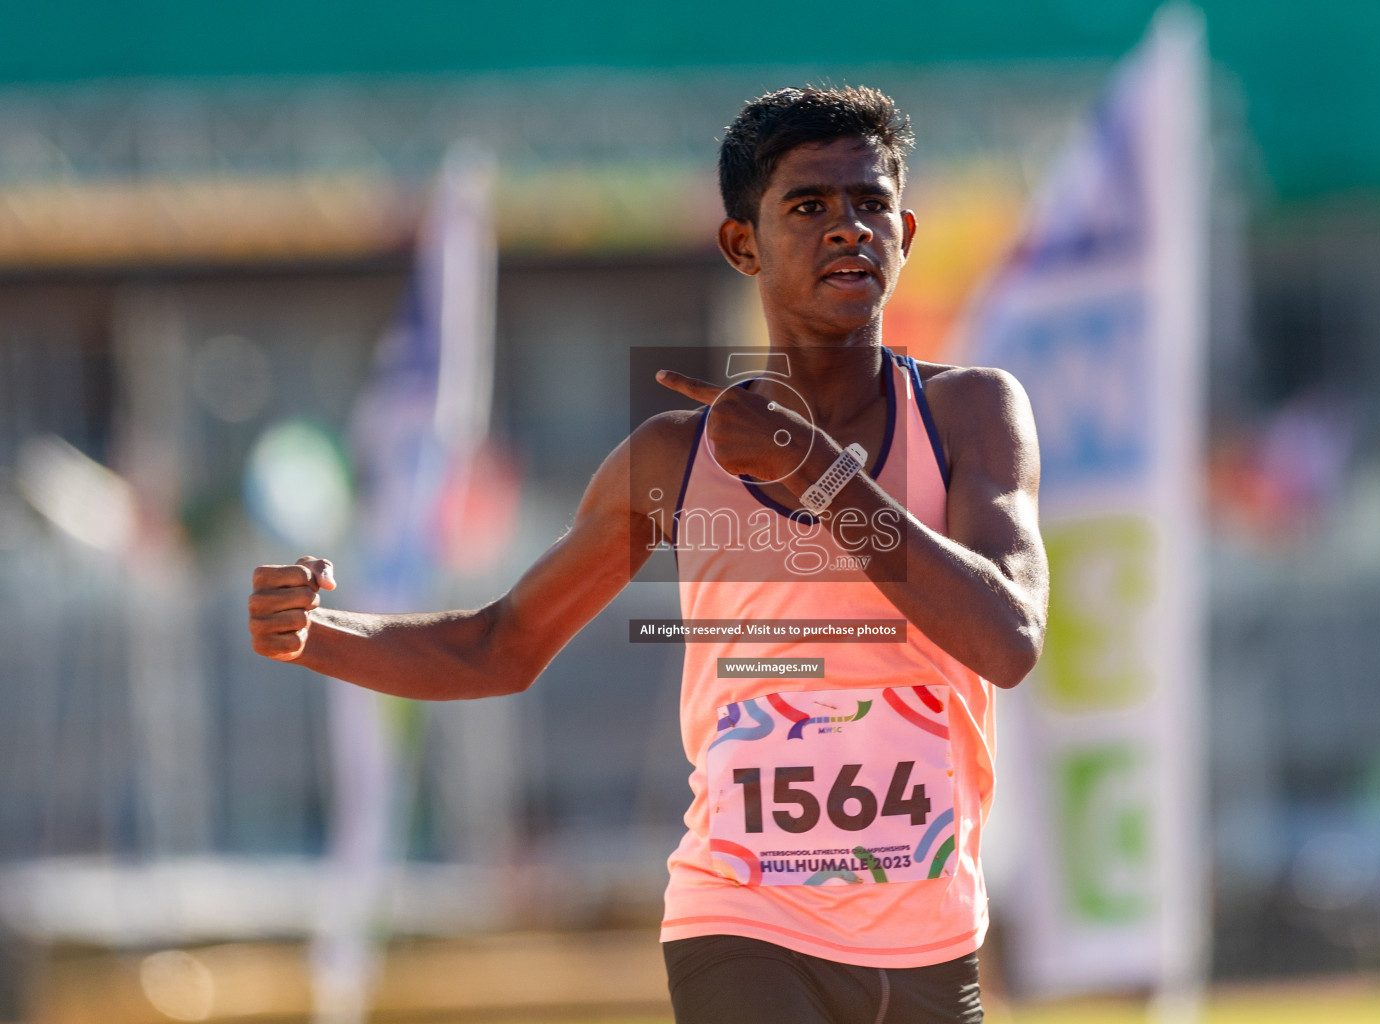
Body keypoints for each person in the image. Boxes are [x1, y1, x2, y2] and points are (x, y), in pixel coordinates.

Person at [249, 85, 1048, 1024]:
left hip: (932, 937)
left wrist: (816, 475)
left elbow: (1008, 641)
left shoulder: (969, 417)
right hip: (742, 918)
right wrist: (315, 636)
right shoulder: (678, 459)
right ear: (741, 244)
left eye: (870, 204)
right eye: (808, 206)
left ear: (905, 233)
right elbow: (500, 645)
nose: (847, 229)